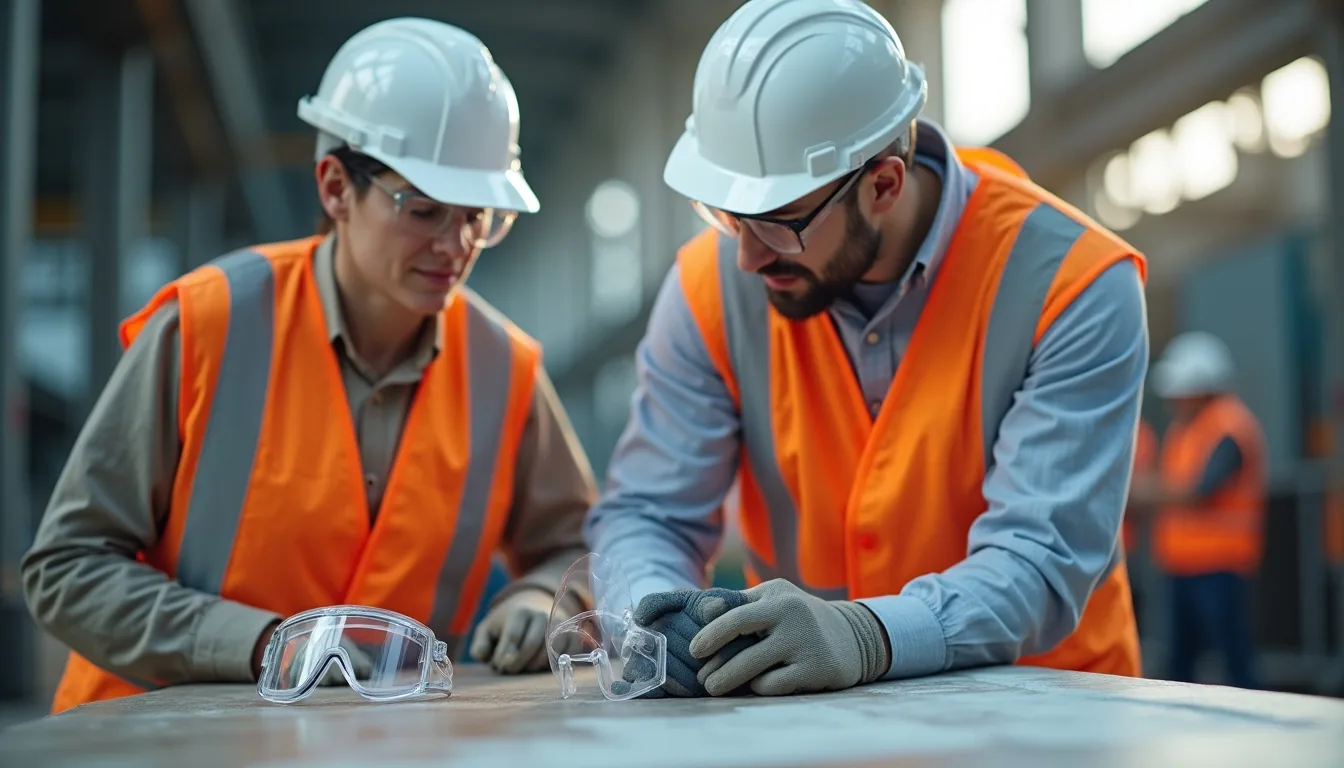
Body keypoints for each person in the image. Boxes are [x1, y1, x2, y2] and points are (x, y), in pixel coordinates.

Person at [22, 18, 595, 715]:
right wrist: (262, 644)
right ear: (334, 189)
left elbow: (583, 544)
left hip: (394, 748)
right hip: (157, 743)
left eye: (481, 217)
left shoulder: (505, 369)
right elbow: (66, 570)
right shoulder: (208, 325)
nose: (457, 245)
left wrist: (542, 594)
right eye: (425, 210)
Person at [585, 0, 1149, 698]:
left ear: (883, 183)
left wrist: (866, 634)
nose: (746, 260)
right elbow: (648, 513)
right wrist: (657, 617)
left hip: (1047, 712)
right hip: (812, 718)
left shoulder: (1073, 285)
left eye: (778, 223)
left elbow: (1038, 559)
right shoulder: (705, 289)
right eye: (729, 217)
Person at [1129, 331, 1266, 689]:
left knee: (1232, 656)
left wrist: (1141, 494)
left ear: (1204, 387)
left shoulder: (1231, 425)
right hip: (1181, 565)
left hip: (1220, 565)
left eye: (1182, 390)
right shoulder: (1185, 429)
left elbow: (1202, 490)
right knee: (1180, 663)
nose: (1175, 399)